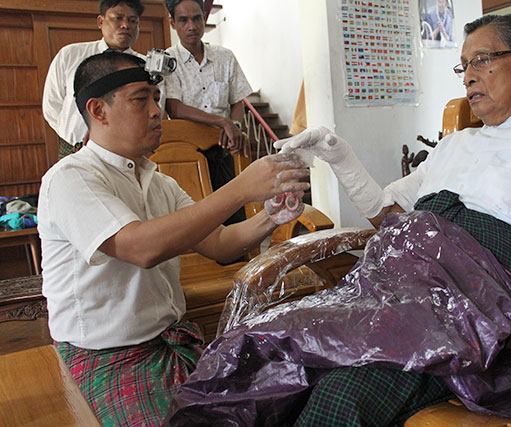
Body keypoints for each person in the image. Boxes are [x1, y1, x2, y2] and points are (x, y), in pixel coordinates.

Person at [274, 14, 511, 425]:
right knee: (276, 363)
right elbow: (389, 214)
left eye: (482, 60)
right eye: (463, 65)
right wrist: (338, 153)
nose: (468, 77)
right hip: (400, 296)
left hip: (476, 317)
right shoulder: (453, 146)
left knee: (343, 393)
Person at [37, 50, 310, 425]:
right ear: (98, 111)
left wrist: (269, 216)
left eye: (155, 98)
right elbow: (140, 247)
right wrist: (240, 188)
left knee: (279, 400)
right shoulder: (70, 178)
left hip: (169, 344)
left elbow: (220, 243)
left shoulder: (158, 182)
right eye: (140, 100)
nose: (156, 111)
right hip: (109, 358)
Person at [42, 0, 147, 159]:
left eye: (133, 21)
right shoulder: (70, 55)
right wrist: (74, 136)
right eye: (118, 18)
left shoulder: (146, 66)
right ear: (100, 21)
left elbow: (153, 111)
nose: (125, 25)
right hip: (74, 149)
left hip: (125, 153)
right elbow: (52, 105)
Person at [163, 0, 251, 155]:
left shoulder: (225, 57)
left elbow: (237, 101)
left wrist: (234, 124)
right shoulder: (168, 60)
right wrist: (223, 122)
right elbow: (174, 108)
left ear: (204, 18)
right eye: (183, 20)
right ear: (172, 23)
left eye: (197, 18)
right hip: (186, 150)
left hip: (224, 146)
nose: (192, 26)